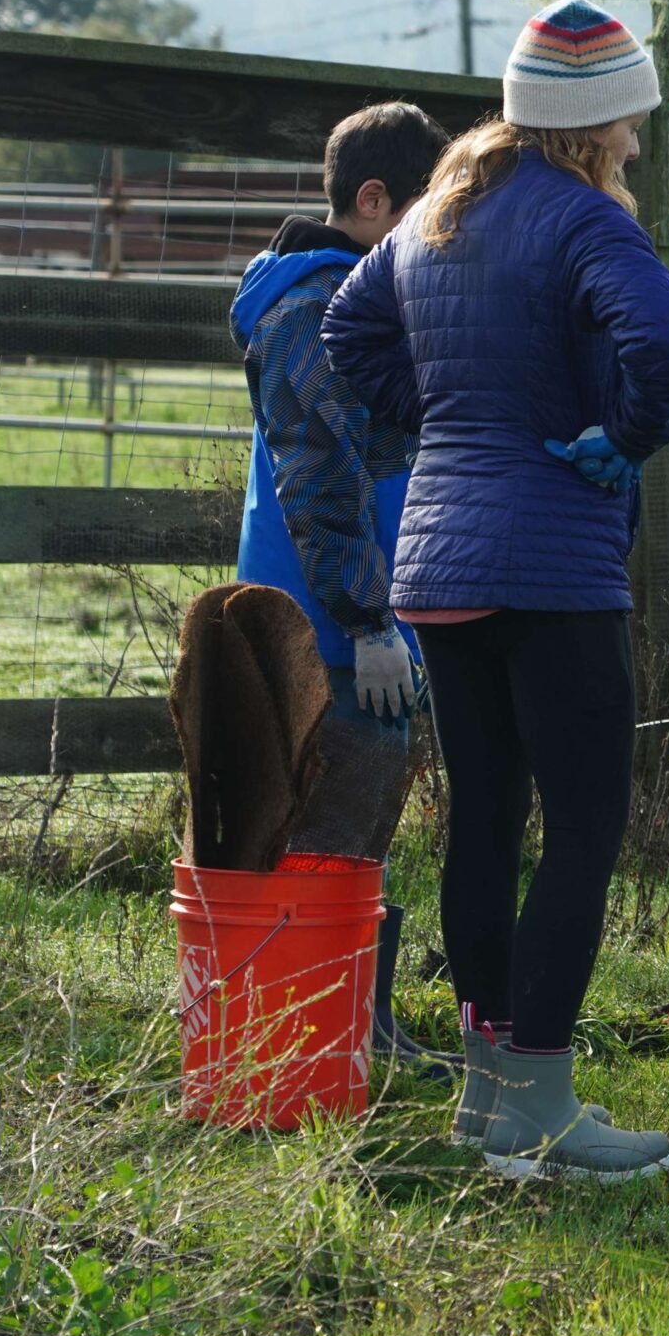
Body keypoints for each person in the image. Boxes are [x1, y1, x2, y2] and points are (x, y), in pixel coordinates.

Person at [323, 0, 669, 1182]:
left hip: (439, 567)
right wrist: (621, 437)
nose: (636, 137)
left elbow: (348, 330)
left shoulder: (440, 210)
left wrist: (439, 416)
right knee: (584, 827)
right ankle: (542, 1097)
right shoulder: (586, 219)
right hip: (551, 568)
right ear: (593, 121)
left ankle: (488, 1095)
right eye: (629, 117)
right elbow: (667, 350)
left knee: (483, 820)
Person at [229, 100, 454, 1081]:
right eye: (425, 218)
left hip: (354, 615)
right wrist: (367, 621)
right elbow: (321, 479)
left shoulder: (344, 299)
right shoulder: (315, 313)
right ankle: (307, 1042)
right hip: (325, 626)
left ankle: (354, 1024)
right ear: (372, 200)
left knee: (358, 827)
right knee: (332, 826)